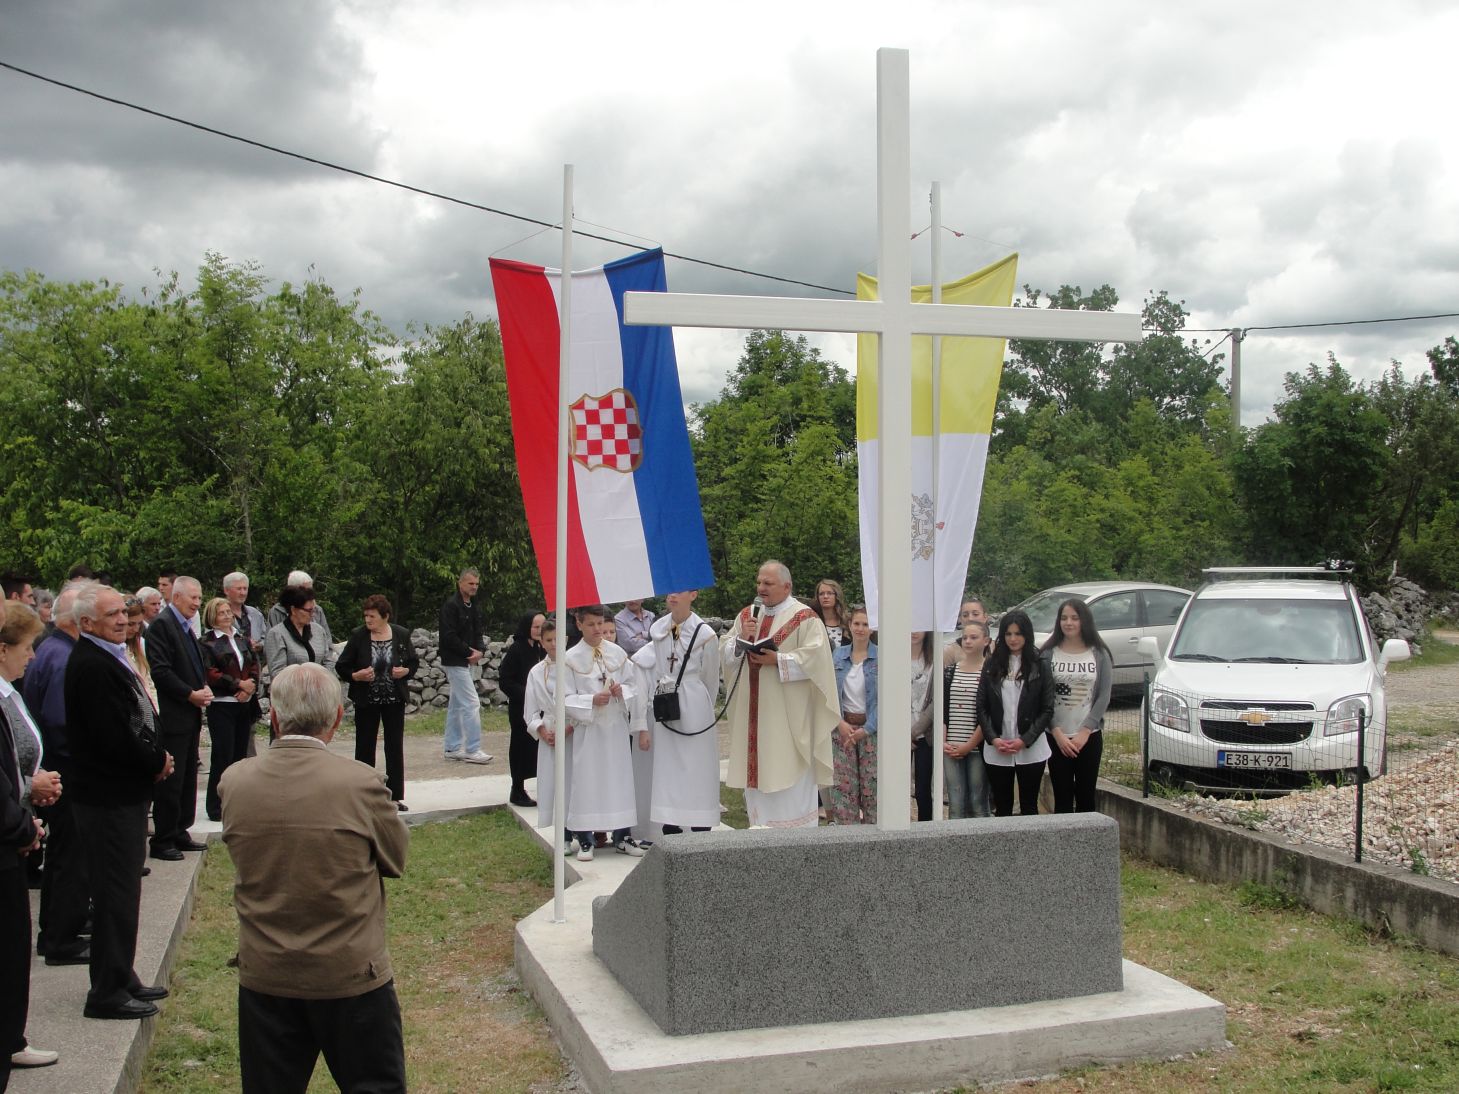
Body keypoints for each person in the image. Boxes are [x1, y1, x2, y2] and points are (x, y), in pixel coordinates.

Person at [219, 663, 408, 1094]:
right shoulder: (361, 782)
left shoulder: (235, 780)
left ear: (274, 717)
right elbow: (395, 858)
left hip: (267, 967)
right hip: (349, 969)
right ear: (337, 718)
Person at [64, 583, 174, 1020]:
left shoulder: (108, 656)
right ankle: (107, 992)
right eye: (111, 614)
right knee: (114, 893)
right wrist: (154, 762)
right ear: (86, 622)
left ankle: (121, 974)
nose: (122, 619)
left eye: (124, 612)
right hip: (108, 799)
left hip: (122, 794)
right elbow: (113, 737)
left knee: (125, 891)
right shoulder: (91, 664)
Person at [721, 560, 838, 829]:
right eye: (759, 582)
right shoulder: (747, 615)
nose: (761, 588)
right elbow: (725, 652)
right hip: (753, 718)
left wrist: (779, 660)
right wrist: (740, 642)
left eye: (768, 583)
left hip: (788, 721)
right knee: (758, 782)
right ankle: (759, 831)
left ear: (787, 586)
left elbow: (818, 661)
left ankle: (795, 839)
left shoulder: (806, 618)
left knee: (789, 781)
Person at [0, 603, 60, 1072]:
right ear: (3, 650)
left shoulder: (8, 692)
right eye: (26, 648)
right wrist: (23, 821)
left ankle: (11, 1036)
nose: (32, 657)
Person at [23, 582, 89, 963]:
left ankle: (58, 927)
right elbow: (60, 722)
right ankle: (60, 937)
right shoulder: (62, 657)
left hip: (58, 770)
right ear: (79, 620)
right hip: (65, 773)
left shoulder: (54, 648)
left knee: (64, 854)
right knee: (69, 856)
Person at [631, 589, 721, 834]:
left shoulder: (705, 634)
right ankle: (670, 820)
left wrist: (704, 705)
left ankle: (700, 820)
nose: (673, 596)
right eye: (670, 591)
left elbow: (710, 676)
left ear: (693, 595)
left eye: (679, 591)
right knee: (668, 762)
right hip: (666, 697)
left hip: (694, 700)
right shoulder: (659, 629)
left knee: (697, 762)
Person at [561, 605, 644, 860]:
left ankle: (622, 836)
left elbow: (634, 685)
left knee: (619, 780)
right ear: (579, 624)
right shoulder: (570, 658)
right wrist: (590, 700)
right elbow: (563, 698)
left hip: (615, 728)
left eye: (600, 623)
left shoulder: (617, 653)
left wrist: (622, 692)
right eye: (591, 625)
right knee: (588, 780)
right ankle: (586, 839)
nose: (597, 629)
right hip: (589, 731)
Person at [145, 576, 211, 861]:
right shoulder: (163, 625)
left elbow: (192, 665)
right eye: (193, 598)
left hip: (190, 715)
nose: (197, 603)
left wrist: (203, 687)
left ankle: (180, 830)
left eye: (199, 598)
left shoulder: (185, 626)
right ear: (176, 597)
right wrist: (189, 693)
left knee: (186, 779)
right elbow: (161, 671)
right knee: (171, 781)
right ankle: (163, 839)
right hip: (174, 716)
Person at [334, 595, 419, 811]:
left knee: (394, 747)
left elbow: (413, 662)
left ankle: (394, 796)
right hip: (367, 700)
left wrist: (405, 672)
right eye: (366, 616)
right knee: (364, 746)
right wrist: (356, 676)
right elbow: (342, 666)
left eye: (372, 616)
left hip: (394, 699)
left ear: (385, 616)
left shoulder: (401, 634)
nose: (368, 620)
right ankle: (364, 796)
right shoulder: (358, 636)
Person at [976, 609, 1054, 817]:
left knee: (1029, 806)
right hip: (998, 746)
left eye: (1018, 633)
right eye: (1008, 634)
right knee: (1002, 807)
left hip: (1030, 747)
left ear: (1027, 634)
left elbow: (1047, 708)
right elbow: (981, 706)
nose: (1013, 639)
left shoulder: (1040, 664)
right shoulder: (991, 663)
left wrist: (1025, 739)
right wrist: (993, 738)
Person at [1042, 599, 1114, 813]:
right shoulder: (1048, 653)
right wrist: (1057, 733)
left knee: (1086, 798)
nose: (1069, 622)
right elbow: (1043, 697)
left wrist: (1085, 731)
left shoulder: (1099, 653)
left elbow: (1104, 695)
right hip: (1056, 739)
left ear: (1084, 620)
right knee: (1062, 799)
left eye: (1074, 618)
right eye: (1064, 618)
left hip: (1089, 738)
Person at [199, 598, 262, 823]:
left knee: (239, 756)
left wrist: (250, 685)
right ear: (212, 617)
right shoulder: (206, 642)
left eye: (228, 612)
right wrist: (237, 684)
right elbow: (210, 672)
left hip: (243, 703)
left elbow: (253, 663)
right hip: (222, 703)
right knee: (222, 755)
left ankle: (237, 802)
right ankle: (215, 806)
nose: (227, 616)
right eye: (221, 613)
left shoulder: (241, 638)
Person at [524, 620, 573, 843]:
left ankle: (582, 830)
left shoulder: (574, 666)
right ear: (542, 642)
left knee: (574, 781)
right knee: (554, 782)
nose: (554, 644)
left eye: (558, 639)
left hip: (572, 729)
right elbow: (530, 710)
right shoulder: (536, 672)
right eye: (549, 640)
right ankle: (562, 833)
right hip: (550, 730)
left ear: (566, 639)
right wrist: (543, 732)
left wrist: (569, 728)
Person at [828, 605, 877, 825]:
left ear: (872, 628)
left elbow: (886, 699)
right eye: (856, 623)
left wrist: (867, 729)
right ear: (849, 625)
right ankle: (847, 837)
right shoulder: (837, 655)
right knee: (844, 790)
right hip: (843, 730)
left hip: (871, 731)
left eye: (865, 624)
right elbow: (828, 692)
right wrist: (838, 722)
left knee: (872, 790)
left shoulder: (881, 657)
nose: (860, 628)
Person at [437, 569, 492, 764]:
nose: (474, 587)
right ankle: (472, 748)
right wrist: (468, 652)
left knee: (457, 705)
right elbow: (448, 636)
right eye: (470, 583)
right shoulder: (451, 606)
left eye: (476, 584)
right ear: (460, 583)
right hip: (454, 661)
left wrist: (480, 651)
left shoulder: (473, 606)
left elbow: (478, 631)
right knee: (471, 703)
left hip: (465, 660)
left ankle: (452, 747)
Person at [943, 620, 991, 818]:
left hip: (977, 747)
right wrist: (944, 742)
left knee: (978, 802)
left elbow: (988, 714)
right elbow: (944, 709)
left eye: (973, 637)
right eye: (964, 638)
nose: (968, 641)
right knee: (955, 803)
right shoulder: (950, 671)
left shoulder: (990, 672)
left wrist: (969, 745)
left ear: (986, 641)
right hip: (951, 745)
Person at [497, 611, 546, 807]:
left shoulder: (542, 648)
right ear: (527, 627)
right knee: (520, 748)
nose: (539, 631)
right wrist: (529, 693)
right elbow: (505, 681)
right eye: (536, 627)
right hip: (521, 709)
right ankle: (517, 789)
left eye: (542, 627)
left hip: (542, 708)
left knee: (539, 748)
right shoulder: (517, 649)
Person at [264, 586, 335, 673]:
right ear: (293, 610)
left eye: (313, 610)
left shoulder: (319, 630)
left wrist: (323, 677)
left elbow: (328, 661)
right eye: (309, 611)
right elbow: (277, 672)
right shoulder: (277, 634)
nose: (312, 614)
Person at [265, 571, 333, 646]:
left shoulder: (317, 610)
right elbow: (271, 642)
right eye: (306, 590)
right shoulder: (276, 611)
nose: (309, 594)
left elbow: (327, 640)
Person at [910, 630, 936, 821]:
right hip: (898, 733)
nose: (914, 631)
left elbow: (936, 700)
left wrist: (915, 731)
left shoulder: (935, 660)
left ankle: (925, 828)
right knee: (895, 787)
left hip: (925, 733)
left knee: (923, 789)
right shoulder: (892, 658)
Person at [123, 597, 160, 715]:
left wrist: (156, 710)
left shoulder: (140, 643)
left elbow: (149, 682)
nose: (135, 629)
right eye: (130, 624)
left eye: (139, 624)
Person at [222, 572, 268, 659]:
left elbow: (267, 638)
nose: (243, 593)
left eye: (245, 588)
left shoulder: (256, 614)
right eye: (239, 589)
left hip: (256, 664)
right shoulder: (218, 615)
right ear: (226, 590)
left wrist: (259, 645)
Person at [944, 596, 988, 665]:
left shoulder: (995, 647)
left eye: (975, 614)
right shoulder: (950, 651)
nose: (970, 618)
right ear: (960, 619)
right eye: (965, 615)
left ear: (985, 617)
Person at [813, 579, 853, 647]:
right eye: (821, 594)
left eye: (829, 593)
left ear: (837, 596)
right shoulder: (813, 621)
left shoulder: (848, 621)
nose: (825, 596)